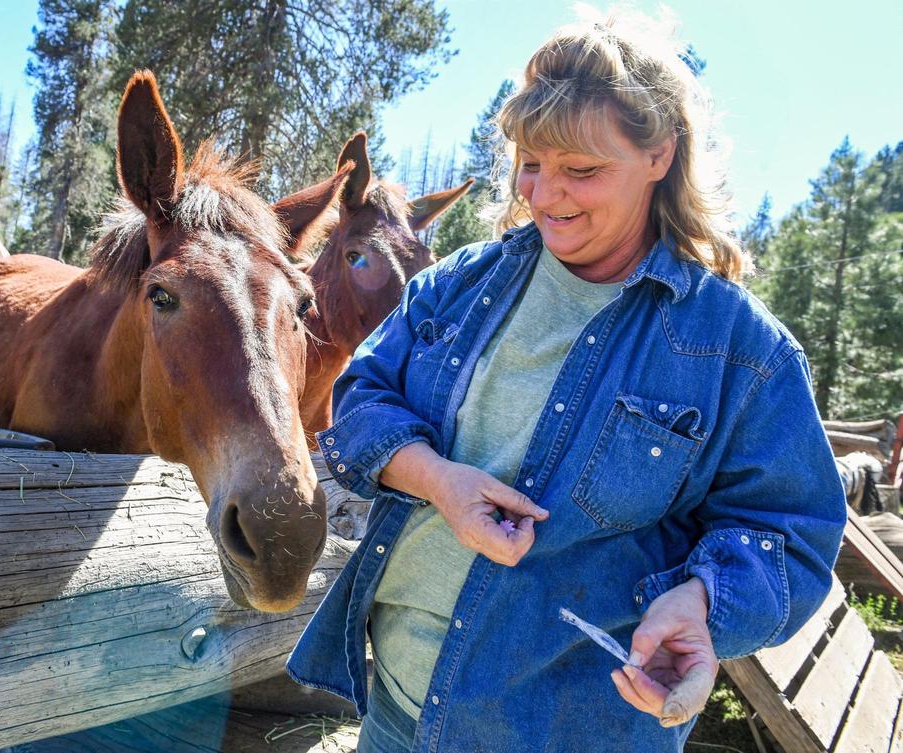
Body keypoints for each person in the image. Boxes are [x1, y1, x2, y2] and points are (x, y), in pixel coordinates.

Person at [286, 7, 846, 753]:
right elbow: (360, 398)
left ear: (660, 155)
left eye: (581, 170)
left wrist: (705, 599)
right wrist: (438, 481)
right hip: (396, 704)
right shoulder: (458, 284)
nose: (547, 196)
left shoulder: (742, 352)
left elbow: (792, 530)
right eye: (531, 164)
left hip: (574, 732)